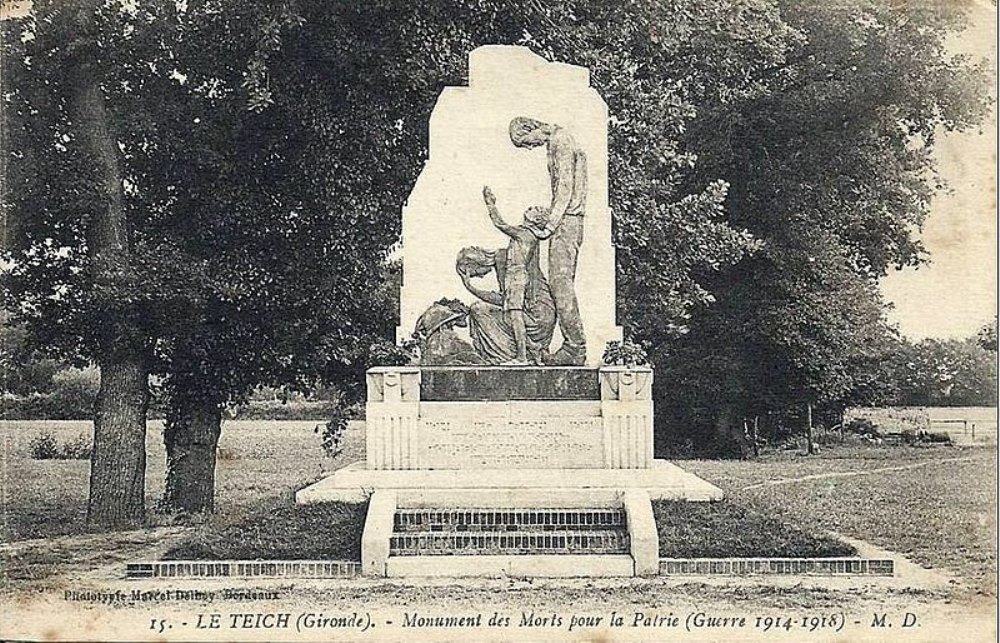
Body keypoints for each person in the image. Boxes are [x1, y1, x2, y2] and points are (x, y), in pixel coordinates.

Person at [508, 116, 588, 365]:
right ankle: (572, 346)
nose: (530, 147)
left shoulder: (560, 141)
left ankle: (575, 346)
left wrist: (550, 224)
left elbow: (564, 187)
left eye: (526, 142)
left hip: (567, 221)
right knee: (559, 285)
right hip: (567, 220)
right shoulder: (559, 140)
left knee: (561, 285)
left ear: (532, 128)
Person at [456, 191, 556, 364]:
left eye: (537, 210)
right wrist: (470, 287)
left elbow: (501, 224)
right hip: (520, 282)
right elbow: (501, 300)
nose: (532, 208)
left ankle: (522, 356)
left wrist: (491, 205)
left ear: (537, 220)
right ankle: (530, 349)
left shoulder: (525, 234)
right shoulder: (514, 246)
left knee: (514, 314)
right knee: (510, 313)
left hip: (522, 283)